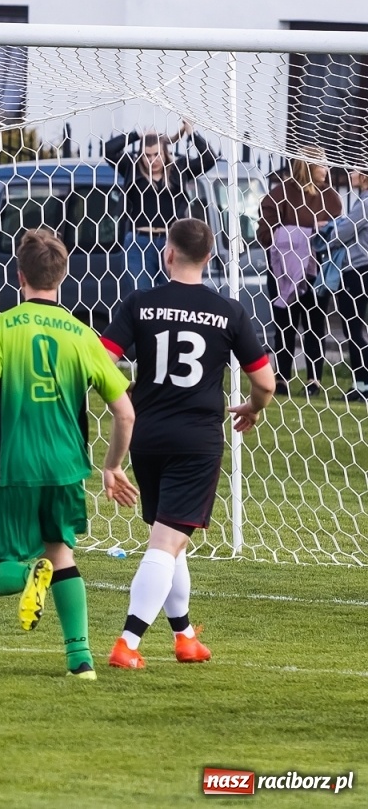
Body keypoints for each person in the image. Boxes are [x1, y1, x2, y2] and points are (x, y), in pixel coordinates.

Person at [0, 228, 135, 680]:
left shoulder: (0, 326)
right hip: (66, 467)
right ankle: (81, 660)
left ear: (20, 275)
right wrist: (112, 466)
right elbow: (125, 412)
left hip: (12, 465)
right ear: (63, 274)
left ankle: (29, 573)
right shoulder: (82, 334)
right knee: (63, 554)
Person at [97, 218, 275, 669]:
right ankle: (128, 643)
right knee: (165, 541)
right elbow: (266, 383)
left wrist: (127, 397)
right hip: (196, 440)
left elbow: (102, 362)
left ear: (168, 254)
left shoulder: (140, 302)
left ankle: (185, 635)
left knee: (171, 536)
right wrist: (254, 406)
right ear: (210, 258)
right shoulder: (229, 311)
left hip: (147, 434)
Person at [257, 146, 342, 396]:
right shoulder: (279, 194)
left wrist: (320, 233)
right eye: (322, 165)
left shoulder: (331, 197)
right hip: (283, 273)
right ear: (307, 166)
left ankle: (314, 380)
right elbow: (265, 235)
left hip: (317, 273)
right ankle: (281, 378)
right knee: (285, 326)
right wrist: (301, 234)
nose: (327, 170)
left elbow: (339, 233)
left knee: (315, 327)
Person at [104, 120, 217, 292]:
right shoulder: (131, 168)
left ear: (165, 154)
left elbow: (209, 158)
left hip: (171, 243)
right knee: (140, 295)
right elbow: (109, 150)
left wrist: (191, 133)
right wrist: (137, 135)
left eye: (156, 154)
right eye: (147, 155)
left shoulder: (179, 170)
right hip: (138, 242)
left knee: (172, 294)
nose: (152, 160)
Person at [332, 169, 368, 403]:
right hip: (359, 269)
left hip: (358, 270)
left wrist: (323, 233)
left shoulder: (365, 203)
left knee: (353, 328)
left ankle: (362, 384)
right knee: (354, 327)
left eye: (355, 169)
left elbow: (343, 232)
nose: (351, 173)